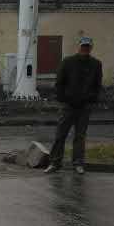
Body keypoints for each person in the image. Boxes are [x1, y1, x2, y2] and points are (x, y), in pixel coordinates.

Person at [45, 35, 103, 175]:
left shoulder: (96, 64)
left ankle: (78, 163)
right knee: (60, 134)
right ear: (79, 47)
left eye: (87, 47)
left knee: (80, 136)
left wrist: (91, 99)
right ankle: (55, 163)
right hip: (69, 105)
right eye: (83, 46)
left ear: (91, 48)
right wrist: (63, 99)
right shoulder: (68, 62)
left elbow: (97, 85)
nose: (85, 49)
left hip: (85, 106)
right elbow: (59, 83)